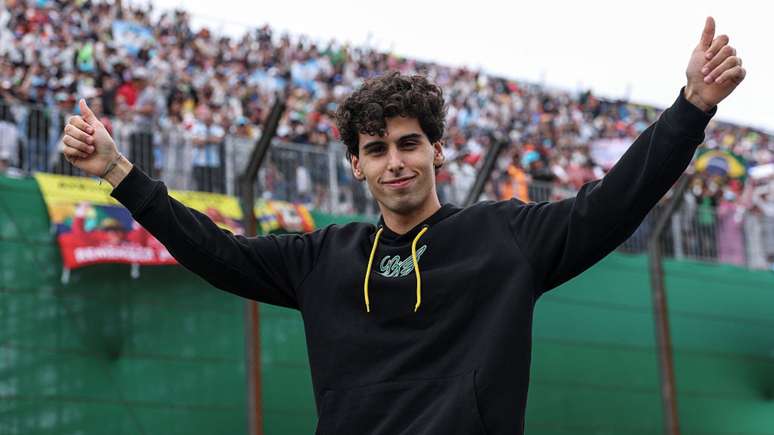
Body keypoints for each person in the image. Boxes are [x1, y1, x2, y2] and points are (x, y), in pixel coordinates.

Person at [61, 17, 745, 435]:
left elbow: (614, 203)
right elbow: (216, 252)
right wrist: (119, 170)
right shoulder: (321, 257)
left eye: (410, 143)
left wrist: (692, 106)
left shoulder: (506, 238)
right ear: (355, 164)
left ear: (437, 150)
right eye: (378, 148)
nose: (396, 162)